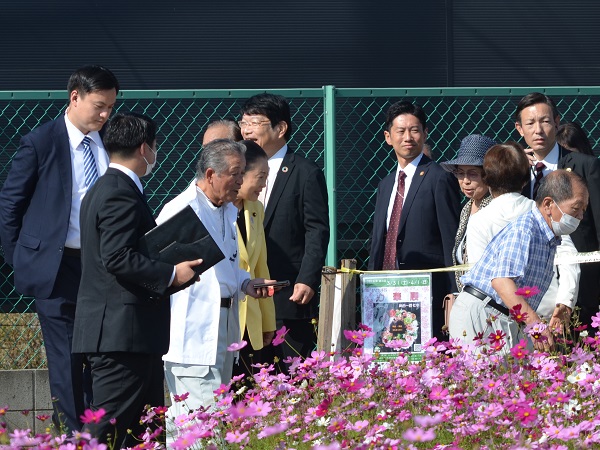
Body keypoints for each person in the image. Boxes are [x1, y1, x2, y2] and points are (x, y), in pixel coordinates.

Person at [0, 65, 119, 432]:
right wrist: (21, 258)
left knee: (103, 352)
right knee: (66, 356)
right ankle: (75, 434)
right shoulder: (41, 142)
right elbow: (10, 206)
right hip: (57, 267)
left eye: (111, 107)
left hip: (103, 267)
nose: (105, 114)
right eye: (99, 106)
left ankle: (101, 428)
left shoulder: (111, 141)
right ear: (75, 97)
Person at [72, 113, 202, 447]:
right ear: (145, 148)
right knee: (107, 430)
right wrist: (172, 272)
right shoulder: (119, 192)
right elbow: (117, 256)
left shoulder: (106, 187)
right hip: (121, 336)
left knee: (143, 432)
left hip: (126, 334)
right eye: (155, 147)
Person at [156, 139, 273, 418]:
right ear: (211, 175)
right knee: (202, 421)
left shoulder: (227, 211)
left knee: (205, 418)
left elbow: (229, 265)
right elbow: (159, 271)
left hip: (224, 326)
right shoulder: (182, 210)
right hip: (193, 334)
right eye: (235, 173)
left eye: (243, 172)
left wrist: (246, 283)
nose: (240, 180)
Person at [450, 170, 588, 352]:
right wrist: (536, 325)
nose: (580, 217)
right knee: (483, 377)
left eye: (583, 210)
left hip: (502, 317)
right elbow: (501, 281)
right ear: (548, 204)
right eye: (576, 208)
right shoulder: (525, 229)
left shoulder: (548, 237)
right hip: (483, 315)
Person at [239, 93, 330, 362]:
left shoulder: (305, 171)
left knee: (288, 372)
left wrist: (307, 279)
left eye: (256, 122)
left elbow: (316, 230)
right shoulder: (235, 170)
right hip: (245, 292)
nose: (247, 130)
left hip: (286, 293)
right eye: (244, 122)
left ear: (280, 128)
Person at [368, 101, 461, 341]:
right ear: (388, 137)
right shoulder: (386, 184)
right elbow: (381, 238)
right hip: (387, 292)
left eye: (415, 130)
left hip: (428, 292)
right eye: (401, 131)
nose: (408, 137)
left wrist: (453, 291)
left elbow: (451, 237)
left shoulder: (439, 178)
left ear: (425, 133)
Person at [466, 142, 579, 330]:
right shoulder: (545, 214)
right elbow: (569, 259)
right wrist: (564, 303)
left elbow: (481, 279)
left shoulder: (478, 221)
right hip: (547, 315)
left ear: (486, 179)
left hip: (497, 319)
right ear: (526, 179)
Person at [515, 92, 600, 330]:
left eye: (544, 121)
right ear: (520, 129)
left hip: (581, 289)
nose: (538, 130)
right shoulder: (516, 171)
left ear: (556, 122)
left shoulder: (584, 166)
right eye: (530, 123)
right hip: (530, 291)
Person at [231, 140, 277, 380]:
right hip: (227, 323)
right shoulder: (214, 208)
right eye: (260, 176)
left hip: (252, 323)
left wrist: (268, 321)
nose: (263, 184)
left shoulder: (256, 208)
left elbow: (261, 266)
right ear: (239, 173)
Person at [440, 134, 496, 291]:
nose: (465, 181)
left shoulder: (497, 208)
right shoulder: (466, 208)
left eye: (472, 173)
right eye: (460, 173)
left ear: (489, 174)